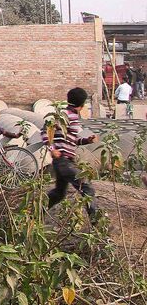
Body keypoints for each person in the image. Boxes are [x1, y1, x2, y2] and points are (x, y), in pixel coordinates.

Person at [43, 87, 99, 221]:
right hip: (63, 160)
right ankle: (97, 224)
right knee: (87, 188)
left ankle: (34, 215)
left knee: (59, 193)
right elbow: (45, 131)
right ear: (83, 104)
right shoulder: (64, 115)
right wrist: (52, 149)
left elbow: (72, 140)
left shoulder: (72, 116)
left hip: (66, 160)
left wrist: (86, 140)